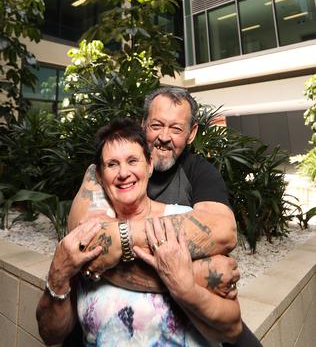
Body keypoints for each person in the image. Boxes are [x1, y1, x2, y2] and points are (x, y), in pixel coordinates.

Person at [69, 87, 262, 346]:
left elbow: (223, 231)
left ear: (191, 134)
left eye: (176, 129)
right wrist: (189, 277)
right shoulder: (107, 168)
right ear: (143, 124)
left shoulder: (199, 172)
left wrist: (116, 238)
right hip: (115, 304)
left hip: (187, 308)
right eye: (156, 125)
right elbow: (86, 244)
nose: (164, 137)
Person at [36, 119, 242, 346]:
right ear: (100, 175)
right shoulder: (88, 232)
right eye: (112, 164)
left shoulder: (185, 219)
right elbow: (50, 335)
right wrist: (57, 275)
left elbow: (231, 329)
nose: (124, 173)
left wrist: (185, 289)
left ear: (149, 164)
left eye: (132, 161)